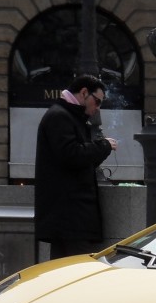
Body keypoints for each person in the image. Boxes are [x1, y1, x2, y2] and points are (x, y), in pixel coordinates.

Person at [34, 75, 117, 259]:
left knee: (64, 275)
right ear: (84, 93)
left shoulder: (66, 115)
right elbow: (71, 155)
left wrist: (100, 150)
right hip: (70, 219)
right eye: (97, 102)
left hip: (68, 219)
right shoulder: (60, 116)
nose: (97, 109)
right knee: (76, 274)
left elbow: (79, 161)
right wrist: (102, 146)